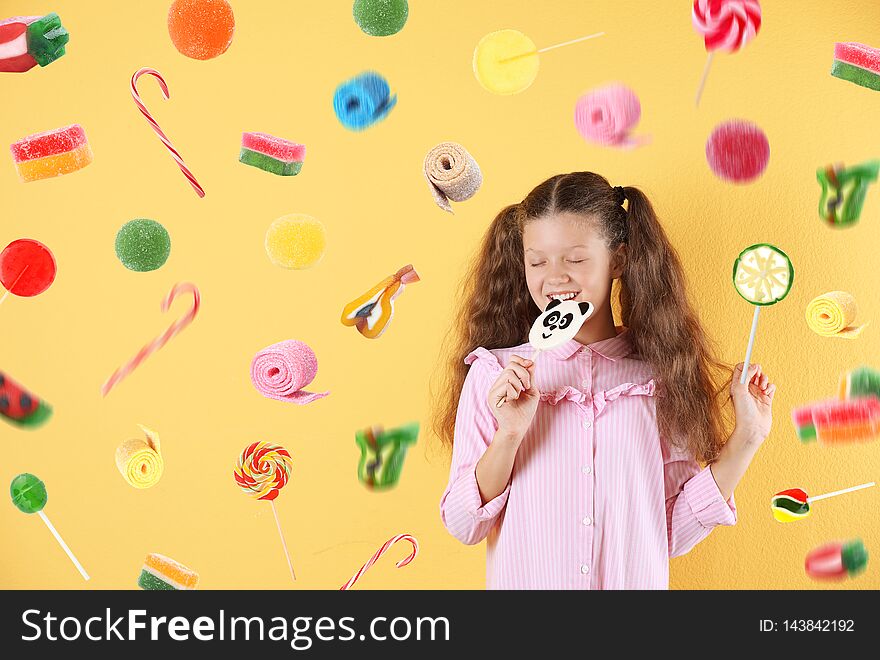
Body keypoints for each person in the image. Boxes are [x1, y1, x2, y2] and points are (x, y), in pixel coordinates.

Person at [434, 171, 776, 589]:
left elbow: (671, 533)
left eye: (575, 259)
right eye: (537, 261)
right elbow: (463, 525)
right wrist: (508, 434)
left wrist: (747, 438)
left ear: (618, 260)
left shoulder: (659, 379)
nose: (554, 277)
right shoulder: (494, 375)